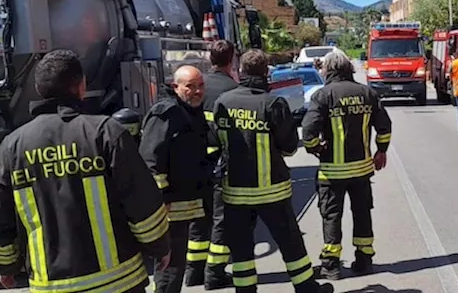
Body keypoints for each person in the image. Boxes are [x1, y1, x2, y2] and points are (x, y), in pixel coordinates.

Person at [0, 50, 170, 292]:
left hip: (50, 286)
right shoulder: (105, 133)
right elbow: (142, 202)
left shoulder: (13, 146)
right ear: (81, 86)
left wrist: (6, 267)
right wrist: (159, 248)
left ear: (39, 89)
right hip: (117, 282)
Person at [214, 49, 333, 293]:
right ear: (266, 72)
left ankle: (245, 290)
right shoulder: (273, 103)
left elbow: (216, 140)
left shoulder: (224, 102)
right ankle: (306, 288)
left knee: (242, 248)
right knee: (290, 242)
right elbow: (290, 148)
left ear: (242, 71)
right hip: (272, 191)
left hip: (235, 191)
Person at [301, 51, 393, 280]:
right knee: (362, 214)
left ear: (328, 70)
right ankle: (364, 259)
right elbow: (384, 126)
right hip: (362, 170)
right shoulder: (367, 93)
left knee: (331, 216)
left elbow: (308, 133)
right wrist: (381, 151)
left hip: (332, 172)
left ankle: (331, 265)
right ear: (349, 69)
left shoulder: (323, 96)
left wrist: (317, 149)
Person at [139, 66, 214, 293]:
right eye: (190, 86)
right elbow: (150, 161)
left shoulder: (190, 112)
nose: (197, 91)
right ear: (176, 87)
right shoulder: (166, 114)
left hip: (187, 203)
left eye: (200, 86)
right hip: (170, 208)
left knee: (175, 265)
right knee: (168, 266)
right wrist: (163, 198)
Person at [197, 40, 241, 287]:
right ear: (232, 59)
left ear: (209, 58)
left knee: (198, 220)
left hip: (195, 163)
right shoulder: (232, 90)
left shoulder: (198, 85)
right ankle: (214, 273)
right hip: (221, 165)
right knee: (220, 220)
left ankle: (193, 271)